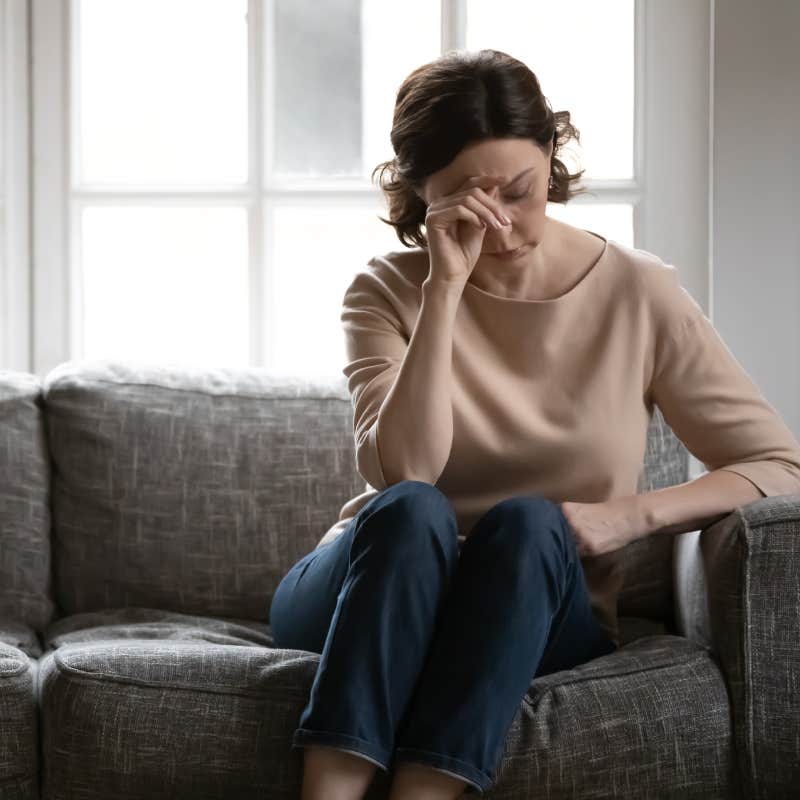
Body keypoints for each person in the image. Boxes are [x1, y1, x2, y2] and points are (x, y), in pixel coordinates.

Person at [269, 49, 800, 799]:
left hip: (534, 603)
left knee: (526, 526)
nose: (505, 227)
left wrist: (627, 518)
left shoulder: (639, 293)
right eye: (464, 200)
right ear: (419, 193)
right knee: (414, 509)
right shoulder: (385, 291)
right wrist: (446, 289)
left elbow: (779, 464)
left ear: (552, 157)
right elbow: (406, 472)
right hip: (371, 587)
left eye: (520, 191)